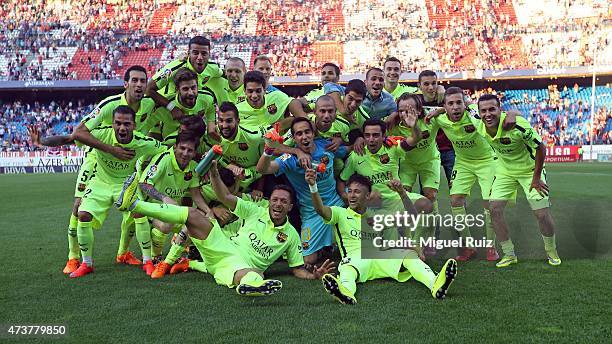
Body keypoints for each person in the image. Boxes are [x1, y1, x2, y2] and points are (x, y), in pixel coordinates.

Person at [114, 161, 335, 295]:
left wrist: (313, 276)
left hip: (235, 265)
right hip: (222, 244)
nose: (277, 204)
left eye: (283, 202)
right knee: (192, 214)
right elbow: (225, 196)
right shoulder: (255, 210)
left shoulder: (291, 236)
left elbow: (296, 268)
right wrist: (214, 173)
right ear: (270, 202)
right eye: (275, 200)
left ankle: (252, 288)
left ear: (290, 207)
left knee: (254, 275)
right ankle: (133, 203)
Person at [308, 172, 457, 304]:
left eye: (357, 192)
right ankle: (345, 292)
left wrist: (402, 193)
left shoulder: (377, 216)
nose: (352, 196)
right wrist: (313, 186)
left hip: (379, 257)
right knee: (348, 269)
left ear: (367, 196)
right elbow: (320, 210)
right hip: (355, 259)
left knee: (409, 255)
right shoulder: (339, 213)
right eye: (350, 191)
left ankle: (435, 284)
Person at [69, 105, 165, 278]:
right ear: (112, 124)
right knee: (83, 214)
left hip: (126, 183)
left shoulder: (142, 141)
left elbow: (165, 151)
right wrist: (111, 149)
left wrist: (149, 170)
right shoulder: (101, 134)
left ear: (134, 125)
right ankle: (86, 263)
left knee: (139, 214)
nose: (122, 128)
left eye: (127, 124)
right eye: (118, 123)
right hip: (100, 182)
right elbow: (76, 135)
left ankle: (147, 261)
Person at [476, 94, 561, 267]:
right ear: (478, 113)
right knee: (494, 210)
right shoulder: (478, 123)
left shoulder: (517, 126)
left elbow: (541, 148)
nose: (488, 114)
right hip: (504, 172)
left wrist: (536, 178)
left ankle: (551, 251)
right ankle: (509, 254)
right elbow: (460, 106)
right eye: (483, 110)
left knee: (542, 214)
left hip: (530, 171)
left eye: (492, 109)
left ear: (500, 110)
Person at [256, 115, 348, 265]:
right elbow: (262, 169)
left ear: (313, 133)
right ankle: (327, 247)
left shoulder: (326, 146)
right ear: (294, 137)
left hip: (336, 205)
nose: (304, 137)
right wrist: (268, 150)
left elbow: (348, 150)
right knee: (308, 260)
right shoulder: (289, 159)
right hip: (311, 213)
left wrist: (353, 141)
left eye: (307, 132)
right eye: (299, 134)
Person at [146, 36, 227, 112]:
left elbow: (224, 73)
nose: (200, 57)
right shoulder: (175, 68)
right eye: (195, 53)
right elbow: (148, 89)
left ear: (209, 54)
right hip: (166, 111)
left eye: (204, 53)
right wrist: (171, 108)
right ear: (188, 53)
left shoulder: (212, 68)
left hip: (190, 109)